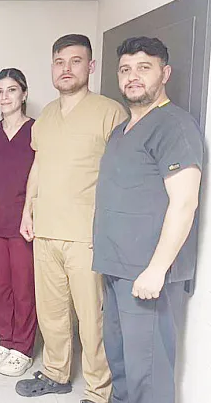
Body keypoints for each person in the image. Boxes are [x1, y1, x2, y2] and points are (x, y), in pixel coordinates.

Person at [15, 34, 127, 403]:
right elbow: (38, 165)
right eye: (60, 61)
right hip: (46, 230)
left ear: (90, 66)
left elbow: (122, 175)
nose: (66, 69)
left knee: (92, 319)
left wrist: (110, 226)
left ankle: (99, 391)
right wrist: (28, 210)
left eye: (75, 61)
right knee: (52, 313)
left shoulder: (110, 113)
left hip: (86, 234)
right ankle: (55, 373)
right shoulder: (46, 116)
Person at [94, 37, 203, 403]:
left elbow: (184, 203)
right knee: (121, 364)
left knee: (148, 375)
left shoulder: (174, 126)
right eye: (125, 69)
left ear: (164, 73)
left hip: (147, 274)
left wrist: (156, 269)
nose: (133, 77)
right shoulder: (121, 131)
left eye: (144, 68)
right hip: (116, 268)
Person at [0, 68, 37, 376]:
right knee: (0, 287)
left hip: (24, 222)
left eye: (11, 90)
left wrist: (25, 208)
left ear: (23, 94)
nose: (5, 97)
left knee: (24, 287)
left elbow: (41, 176)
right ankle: (5, 341)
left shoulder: (37, 130)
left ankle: (22, 347)